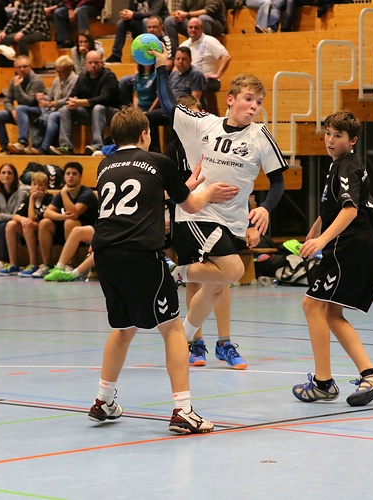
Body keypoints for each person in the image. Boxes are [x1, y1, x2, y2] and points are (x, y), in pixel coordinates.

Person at [87, 106, 238, 433]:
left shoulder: (104, 165)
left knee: (123, 327)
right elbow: (191, 205)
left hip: (105, 254)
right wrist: (209, 191)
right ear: (145, 134)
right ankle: (183, 411)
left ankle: (103, 400)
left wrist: (181, 186)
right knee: (172, 329)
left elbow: (142, 194)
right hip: (141, 253)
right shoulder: (159, 161)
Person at [154, 46, 288, 369]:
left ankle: (189, 335)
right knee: (233, 270)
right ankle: (181, 286)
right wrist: (160, 68)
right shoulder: (206, 124)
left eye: (259, 102)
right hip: (198, 212)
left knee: (217, 284)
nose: (254, 106)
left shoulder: (260, 136)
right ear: (230, 99)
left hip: (233, 220)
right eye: (248, 99)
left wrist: (264, 210)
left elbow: (278, 182)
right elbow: (169, 106)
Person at [291, 110, 373, 407]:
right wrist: (315, 229)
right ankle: (370, 374)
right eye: (328, 134)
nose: (330, 140)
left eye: (338, 136)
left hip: (351, 245)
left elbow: (349, 209)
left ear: (353, 140)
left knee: (311, 304)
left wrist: (322, 240)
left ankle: (323, 382)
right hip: (354, 244)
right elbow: (333, 208)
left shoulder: (347, 166)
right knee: (331, 314)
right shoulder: (339, 165)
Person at [164, 95, 236, 368]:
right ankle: (197, 342)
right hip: (187, 217)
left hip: (218, 216)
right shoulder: (173, 150)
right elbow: (171, 191)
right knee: (195, 280)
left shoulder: (216, 140)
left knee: (222, 277)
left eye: (194, 115)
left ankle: (225, 342)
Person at [31, 161, 98, 277]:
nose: (70, 176)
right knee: (45, 223)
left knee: (70, 222)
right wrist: (62, 216)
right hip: (65, 231)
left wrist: (64, 194)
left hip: (86, 231)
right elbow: (47, 213)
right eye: (68, 173)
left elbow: (74, 213)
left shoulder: (87, 194)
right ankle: (47, 264)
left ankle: (70, 264)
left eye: (74, 174)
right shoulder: (63, 192)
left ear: (80, 177)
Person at [50, 50, 121, 156]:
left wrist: (82, 102)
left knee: (98, 108)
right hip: (89, 113)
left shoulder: (109, 76)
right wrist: (73, 102)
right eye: (90, 63)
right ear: (85, 64)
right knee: (65, 109)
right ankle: (65, 146)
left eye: (96, 62)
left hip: (110, 113)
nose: (93, 65)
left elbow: (105, 98)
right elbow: (73, 95)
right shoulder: (83, 76)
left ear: (102, 63)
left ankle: (97, 145)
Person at [7, 55, 77, 155]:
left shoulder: (75, 80)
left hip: (68, 109)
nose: (58, 74)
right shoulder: (57, 80)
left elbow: (68, 99)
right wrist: (43, 97)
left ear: (69, 69)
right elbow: (51, 96)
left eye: (61, 71)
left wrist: (49, 103)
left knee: (50, 116)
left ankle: (43, 148)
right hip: (53, 108)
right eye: (57, 71)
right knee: (42, 116)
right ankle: (29, 146)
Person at [145, 46, 204, 153]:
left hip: (184, 112)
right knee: (149, 116)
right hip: (170, 108)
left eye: (184, 59)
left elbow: (195, 100)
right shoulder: (173, 74)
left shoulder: (196, 74)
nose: (180, 61)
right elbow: (162, 95)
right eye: (178, 59)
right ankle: (155, 152)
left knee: (175, 119)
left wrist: (179, 112)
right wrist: (150, 110)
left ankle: (172, 153)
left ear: (190, 60)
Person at [0, 171, 54, 275]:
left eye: (40, 185)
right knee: (11, 225)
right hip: (31, 229)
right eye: (34, 184)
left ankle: (33, 264)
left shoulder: (49, 199)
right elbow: (16, 215)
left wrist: (32, 199)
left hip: (45, 230)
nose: (37, 187)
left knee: (28, 225)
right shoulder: (28, 198)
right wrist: (22, 219)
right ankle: (13, 264)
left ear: (46, 187)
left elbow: (33, 218)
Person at [117, 15, 175, 108]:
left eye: (154, 27)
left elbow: (169, 64)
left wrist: (152, 71)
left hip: (160, 73)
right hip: (146, 71)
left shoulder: (166, 41)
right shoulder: (144, 40)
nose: (151, 29)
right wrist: (137, 74)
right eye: (149, 27)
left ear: (162, 27)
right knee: (124, 81)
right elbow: (139, 60)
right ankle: (129, 110)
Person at [0, 55, 46, 154]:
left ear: (30, 67)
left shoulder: (36, 80)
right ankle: (5, 147)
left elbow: (29, 101)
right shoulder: (14, 80)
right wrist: (12, 111)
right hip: (21, 113)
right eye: (19, 67)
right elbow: (7, 100)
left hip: (37, 111)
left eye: (25, 66)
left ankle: (22, 142)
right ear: (15, 69)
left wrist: (17, 87)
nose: (22, 69)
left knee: (21, 108)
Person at [104, 0, 169, 64]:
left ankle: (147, 51)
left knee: (146, 21)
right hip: (140, 22)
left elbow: (154, 13)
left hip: (157, 23)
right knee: (121, 23)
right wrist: (126, 15)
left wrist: (133, 14)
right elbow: (131, 11)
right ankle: (116, 55)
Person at [179, 16, 230, 94]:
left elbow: (226, 57)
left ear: (202, 29)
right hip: (190, 80)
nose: (193, 30)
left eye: (196, 27)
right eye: (191, 27)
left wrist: (218, 75)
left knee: (195, 82)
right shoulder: (184, 45)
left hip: (209, 81)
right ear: (187, 29)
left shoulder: (210, 40)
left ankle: (194, 102)